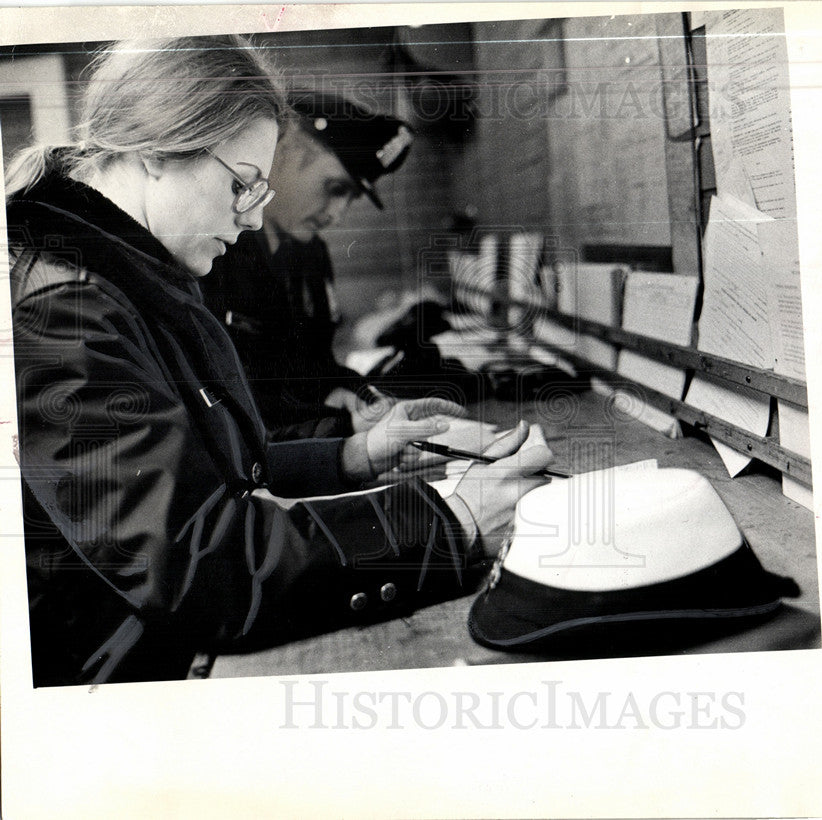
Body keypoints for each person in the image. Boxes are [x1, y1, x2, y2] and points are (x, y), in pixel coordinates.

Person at [6, 35, 553, 687]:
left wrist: (356, 456)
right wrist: (450, 523)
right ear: (154, 152)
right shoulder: (63, 312)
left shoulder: (132, 274)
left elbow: (208, 466)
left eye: (261, 190)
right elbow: (197, 566)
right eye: (240, 185)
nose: (250, 219)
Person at [200, 93, 416, 440]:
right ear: (283, 152)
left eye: (350, 198)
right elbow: (226, 398)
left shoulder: (309, 253)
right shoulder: (212, 250)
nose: (336, 214)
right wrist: (339, 423)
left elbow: (314, 363)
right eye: (333, 189)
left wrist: (364, 396)